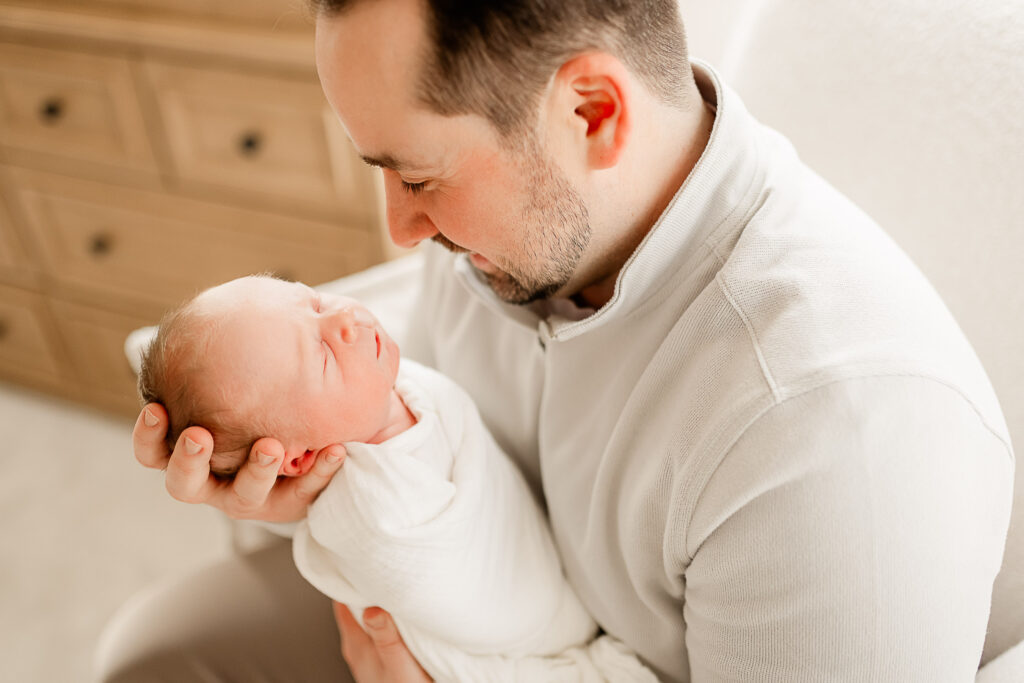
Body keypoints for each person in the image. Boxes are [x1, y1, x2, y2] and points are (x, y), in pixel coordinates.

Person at [104, 0, 1015, 681]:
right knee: (149, 654)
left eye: (418, 174)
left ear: (591, 113)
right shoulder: (533, 222)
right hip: (467, 603)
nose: (404, 225)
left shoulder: (835, 435)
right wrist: (310, 471)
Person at [134, 274, 655, 681]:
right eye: (319, 354)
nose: (343, 318)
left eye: (312, 301)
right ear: (294, 462)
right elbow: (448, 589)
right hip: (518, 638)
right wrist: (301, 512)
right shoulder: (374, 513)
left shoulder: (378, 392)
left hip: (547, 568)